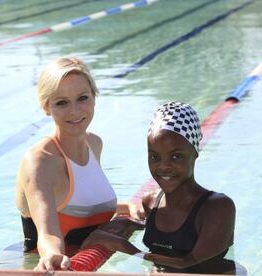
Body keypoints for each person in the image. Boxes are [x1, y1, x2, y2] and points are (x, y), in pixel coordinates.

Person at [15, 57, 139, 271]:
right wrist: (53, 255)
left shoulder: (94, 144)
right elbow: (48, 233)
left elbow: (81, 205)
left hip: (89, 262)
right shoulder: (39, 162)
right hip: (46, 267)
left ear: (94, 97)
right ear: (46, 106)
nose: (74, 111)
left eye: (82, 98)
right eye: (61, 102)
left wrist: (129, 206)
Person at [82, 102, 238, 274]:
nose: (163, 166)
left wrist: (122, 245)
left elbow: (186, 263)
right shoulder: (150, 202)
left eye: (175, 156)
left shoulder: (217, 208)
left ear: (195, 153)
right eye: (154, 156)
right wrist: (128, 224)